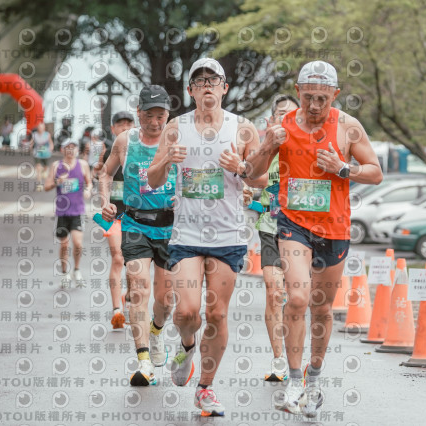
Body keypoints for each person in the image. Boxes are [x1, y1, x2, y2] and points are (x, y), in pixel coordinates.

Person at [247, 60, 383, 417]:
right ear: (298, 92)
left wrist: (343, 168)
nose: (315, 105)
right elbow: (251, 174)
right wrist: (267, 146)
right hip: (294, 224)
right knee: (296, 298)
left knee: (321, 308)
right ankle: (294, 380)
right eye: (308, 97)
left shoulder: (348, 127)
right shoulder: (283, 128)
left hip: (334, 229)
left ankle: (315, 377)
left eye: (323, 98)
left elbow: (375, 172)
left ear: (335, 95)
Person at [148, 58, 266, 417]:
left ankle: (205, 389)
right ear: (191, 91)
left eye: (213, 80)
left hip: (228, 235)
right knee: (186, 311)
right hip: (187, 234)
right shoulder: (176, 128)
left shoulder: (242, 128)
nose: (207, 86)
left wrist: (241, 168)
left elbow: (261, 180)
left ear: (224, 88)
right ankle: (186, 346)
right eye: (199, 82)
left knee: (216, 314)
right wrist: (166, 160)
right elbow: (152, 179)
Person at [99, 86, 175, 386]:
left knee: (165, 299)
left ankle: (157, 331)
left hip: (170, 227)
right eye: (149, 116)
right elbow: (106, 173)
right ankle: (144, 362)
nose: (155, 122)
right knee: (139, 289)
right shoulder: (125, 141)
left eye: (161, 116)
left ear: (168, 115)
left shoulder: (177, 139)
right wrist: (105, 202)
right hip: (135, 224)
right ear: (139, 113)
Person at [244, 94, 299, 382]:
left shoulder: (307, 147)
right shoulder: (266, 149)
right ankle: (279, 361)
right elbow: (254, 179)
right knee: (274, 292)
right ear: (272, 119)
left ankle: (297, 360)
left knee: (298, 299)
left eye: (293, 114)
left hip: (303, 233)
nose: (286, 119)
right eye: (281, 114)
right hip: (271, 226)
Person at [98, 111, 134, 329]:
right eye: (120, 124)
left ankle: (128, 298)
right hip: (114, 215)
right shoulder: (110, 151)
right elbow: (103, 177)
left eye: (129, 123)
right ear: (113, 129)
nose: (125, 127)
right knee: (118, 258)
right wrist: (104, 203)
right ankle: (117, 311)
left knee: (133, 263)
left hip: (136, 215)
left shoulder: (143, 150)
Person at [43, 138, 92, 287]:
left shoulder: (82, 165)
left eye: (73, 147)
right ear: (62, 150)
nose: (70, 150)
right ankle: (65, 273)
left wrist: (88, 190)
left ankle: (76, 269)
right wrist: (57, 182)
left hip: (77, 211)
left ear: (77, 150)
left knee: (78, 243)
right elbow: (46, 186)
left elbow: (89, 182)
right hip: (62, 212)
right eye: (67, 147)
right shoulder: (56, 166)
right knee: (64, 244)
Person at [30, 122, 54, 191]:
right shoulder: (35, 135)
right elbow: (32, 142)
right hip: (37, 154)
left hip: (46, 153)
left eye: (42, 127)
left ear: (44, 128)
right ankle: (39, 184)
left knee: (46, 168)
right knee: (38, 169)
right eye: (39, 127)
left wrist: (51, 148)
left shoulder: (47, 135)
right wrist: (30, 147)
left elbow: (50, 143)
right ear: (38, 128)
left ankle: (44, 171)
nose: (40, 128)